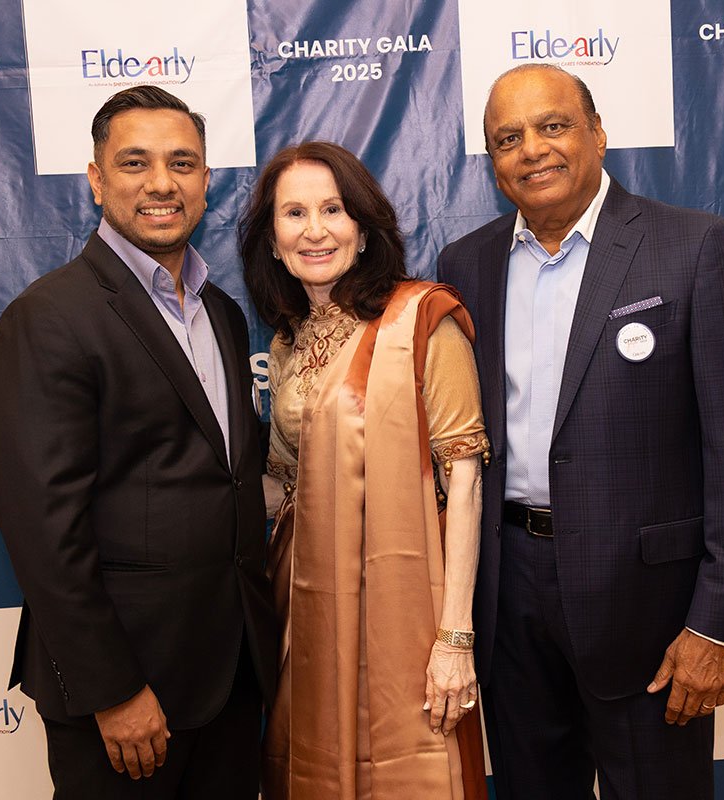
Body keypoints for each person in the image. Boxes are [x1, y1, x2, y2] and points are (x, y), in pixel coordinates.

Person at [437, 65, 724, 799]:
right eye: (508, 138)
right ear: (493, 164)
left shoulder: (693, 247)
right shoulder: (466, 264)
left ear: (597, 134)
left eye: (552, 126)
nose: (532, 149)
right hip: (509, 598)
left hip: (650, 610)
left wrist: (717, 624)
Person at [0, 85, 277, 799]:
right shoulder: (49, 317)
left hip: (232, 671)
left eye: (182, 163)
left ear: (206, 180)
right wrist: (112, 689)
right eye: (135, 162)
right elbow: (45, 531)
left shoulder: (222, 314)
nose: (161, 183)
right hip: (128, 688)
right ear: (96, 179)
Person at [241, 141, 490, 799]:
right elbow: (283, 485)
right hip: (308, 604)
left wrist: (454, 638)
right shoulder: (287, 341)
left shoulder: (422, 320)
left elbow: (464, 481)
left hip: (404, 608)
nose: (315, 230)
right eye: (294, 213)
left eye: (333, 209)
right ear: (272, 242)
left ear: (364, 226)